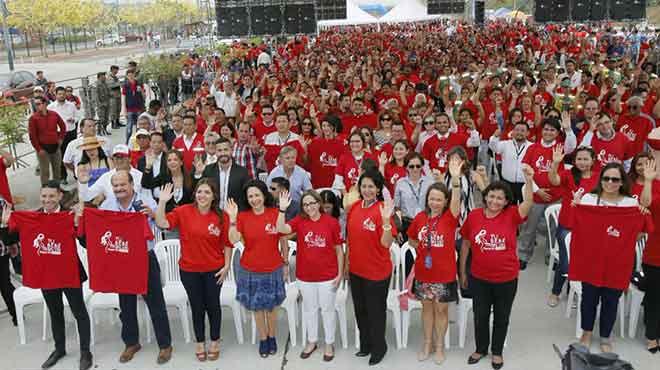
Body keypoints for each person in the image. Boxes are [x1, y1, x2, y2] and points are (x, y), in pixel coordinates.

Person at [81, 170, 173, 364]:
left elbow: (163, 224)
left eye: (123, 185)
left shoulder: (145, 202)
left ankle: (165, 345)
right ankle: (131, 343)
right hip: (121, 260)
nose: (119, 189)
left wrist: (153, 213)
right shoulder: (107, 205)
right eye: (115, 186)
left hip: (145, 258)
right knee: (126, 304)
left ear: (132, 185)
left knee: (156, 303)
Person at [1, 181, 93, 370]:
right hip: (46, 274)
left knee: (79, 312)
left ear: (60, 196)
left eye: (51, 196)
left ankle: (85, 352)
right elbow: (11, 240)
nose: (47, 200)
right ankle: (59, 349)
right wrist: (4, 223)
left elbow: (85, 243)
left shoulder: (69, 214)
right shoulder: (32, 217)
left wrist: (79, 222)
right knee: (55, 312)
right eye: (44, 196)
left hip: (70, 273)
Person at [459, 165, 535, 369]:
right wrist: (462, 273)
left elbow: (528, 202)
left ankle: (497, 351)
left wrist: (529, 180)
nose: (494, 201)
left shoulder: (511, 214)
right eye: (491, 196)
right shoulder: (474, 216)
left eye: (500, 198)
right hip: (479, 277)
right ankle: (481, 348)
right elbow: (466, 244)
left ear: (507, 201)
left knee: (502, 317)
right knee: (480, 315)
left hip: (506, 279)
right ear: (485, 197)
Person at [154, 180, 233, 362]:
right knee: (197, 307)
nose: (202, 196)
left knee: (213, 306)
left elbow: (228, 243)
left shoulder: (221, 216)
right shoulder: (183, 211)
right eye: (199, 192)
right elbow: (162, 223)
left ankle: (214, 341)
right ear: (195, 194)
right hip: (189, 270)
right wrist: (162, 202)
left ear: (213, 196)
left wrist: (227, 265)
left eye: (207, 192)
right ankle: (199, 342)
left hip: (214, 269)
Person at [575, 162, 638, 353]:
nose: (610, 182)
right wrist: (575, 207)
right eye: (606, 178)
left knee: (611, 299)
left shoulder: (631, 203)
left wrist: (641, 213)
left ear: (622, 182)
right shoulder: (588, 199)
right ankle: (586, 332)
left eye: (615, 179)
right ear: (600, 179)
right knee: (589, 298)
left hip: (617, 261)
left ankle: (605, 336)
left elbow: (638, 232)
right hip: (591, 259)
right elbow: (577, 224)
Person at [407, 157, 462, 365]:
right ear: (427, 199)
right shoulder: (420, 218)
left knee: (441, 310)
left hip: (444, 274)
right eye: (432, 198)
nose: (435, 202)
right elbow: (412, 239)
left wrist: (455, 180)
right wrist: (424, 250)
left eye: (439, 199)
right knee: (427, 309)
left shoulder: (450, 217)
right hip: (424, 274)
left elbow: (457, 200)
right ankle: (427, 343)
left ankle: (439, 346)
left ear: (445, 201)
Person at [276, 190, 343, 362]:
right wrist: (282, 210)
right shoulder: (300, 221)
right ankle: (312, 341)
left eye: (312, 203)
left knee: (327, 310)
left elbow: (338, 249)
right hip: (305, 276)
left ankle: (329, 343)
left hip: (328, 275)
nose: (309, 207)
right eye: (305, 204)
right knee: (310, 309)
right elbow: (281, 229)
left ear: (319, 203)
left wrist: (341, 272)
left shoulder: (332, 222)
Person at [225, 180, 288, 358]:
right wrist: (232, 219)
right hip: (250, 269)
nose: (254, 199)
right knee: (257, 308)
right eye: (250, 196)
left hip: (273, 268)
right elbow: (233, 239)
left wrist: (284, 264)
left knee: (271, 308)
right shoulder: (243, 216)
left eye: (257, 195)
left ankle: (272, 336)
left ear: (264, 195)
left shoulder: (275, 213)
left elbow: (283, 239)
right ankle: (263, 339)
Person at [346, 170, 397, 366]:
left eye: (371, 186)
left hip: (377, 272)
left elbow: (386, 243)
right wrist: (347, 266)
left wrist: (385, 222)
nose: (367, 190)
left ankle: (379, 348)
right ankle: (366, 345)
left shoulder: (384, 210)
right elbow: (350, 239)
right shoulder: (355, 207)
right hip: (357, 270)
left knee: (375, 312)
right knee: (360, 310)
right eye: (364, 186)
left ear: (378, 189)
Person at [546, 146, 598, 308]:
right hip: (567, 225)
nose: (582, 162)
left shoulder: (599, 177)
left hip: (589, 228)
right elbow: (553, 180)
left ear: (593, 161)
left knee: (583, 261)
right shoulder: (569, 175)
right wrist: (555, 164)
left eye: (586, 159)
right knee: (565, 262)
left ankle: (573, 291)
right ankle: (555, 292)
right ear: (574, 161)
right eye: (579, 159)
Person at [193, 137, 250, 211]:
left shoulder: (242, 172)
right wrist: (198, 173)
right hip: (213, 213)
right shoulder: (208, 170)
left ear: (231, 150)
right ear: (215, 152)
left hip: (235, 214)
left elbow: (246, 197)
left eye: (226, 150)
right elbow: (198, 192)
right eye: (219, 150)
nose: (223, 153)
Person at [488, 122, 532, 204]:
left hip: (525, 184)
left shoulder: (532, 147)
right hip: (507, 183)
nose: (519, 132)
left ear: (527, 133)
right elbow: (493, 147)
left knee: (523, 209)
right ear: (513, 132)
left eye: (522, 130)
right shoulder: (506, 144)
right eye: (517, 130)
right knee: (507, 208)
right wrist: (495, 137)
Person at [28, 96, 66, 186]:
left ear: (45, 104)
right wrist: (39, 149)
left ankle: (57, 189)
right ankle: (45, 190)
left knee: (57, 170)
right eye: (35, 104)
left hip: (55, 147)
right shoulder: (33, 118)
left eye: (38, 104)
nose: (36, 106)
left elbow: (63, 127)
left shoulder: (54, 114)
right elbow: (32, 136)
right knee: (45, 172)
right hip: (43, 149)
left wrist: (60, 138)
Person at [266, 146, 312, 219]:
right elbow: (268, 191)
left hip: (296, 207)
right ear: (281, 160)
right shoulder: (274, 173)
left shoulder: (302, 173)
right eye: (287, 158)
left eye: (293, 158)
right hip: (277, 206)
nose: (291, 160)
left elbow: (309, 192)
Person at [48, 86, 79, 183]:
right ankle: (63, 177)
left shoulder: (71, 105)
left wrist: (73, 120)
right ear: (55, 95)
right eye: (59, 94)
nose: (61, 96)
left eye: (63, 94)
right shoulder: (51, 107)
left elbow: (78, 116)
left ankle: (76, 173)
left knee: (74, 154)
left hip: (71, 132)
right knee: (60, 155)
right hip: (59, 135)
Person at [122, 70, 145, 143]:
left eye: (132, 75)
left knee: (139, 126)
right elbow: (123, 97)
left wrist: (141, 90)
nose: (131, 77)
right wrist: (124, 109)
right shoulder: (125, 85)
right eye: (129, 76)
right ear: (127, 76)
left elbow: (144, 96)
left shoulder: (139, 83)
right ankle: (127, 142)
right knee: (129, 126)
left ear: (134, 75)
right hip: (129, 108)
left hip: (138, 107)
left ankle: (139, 141)